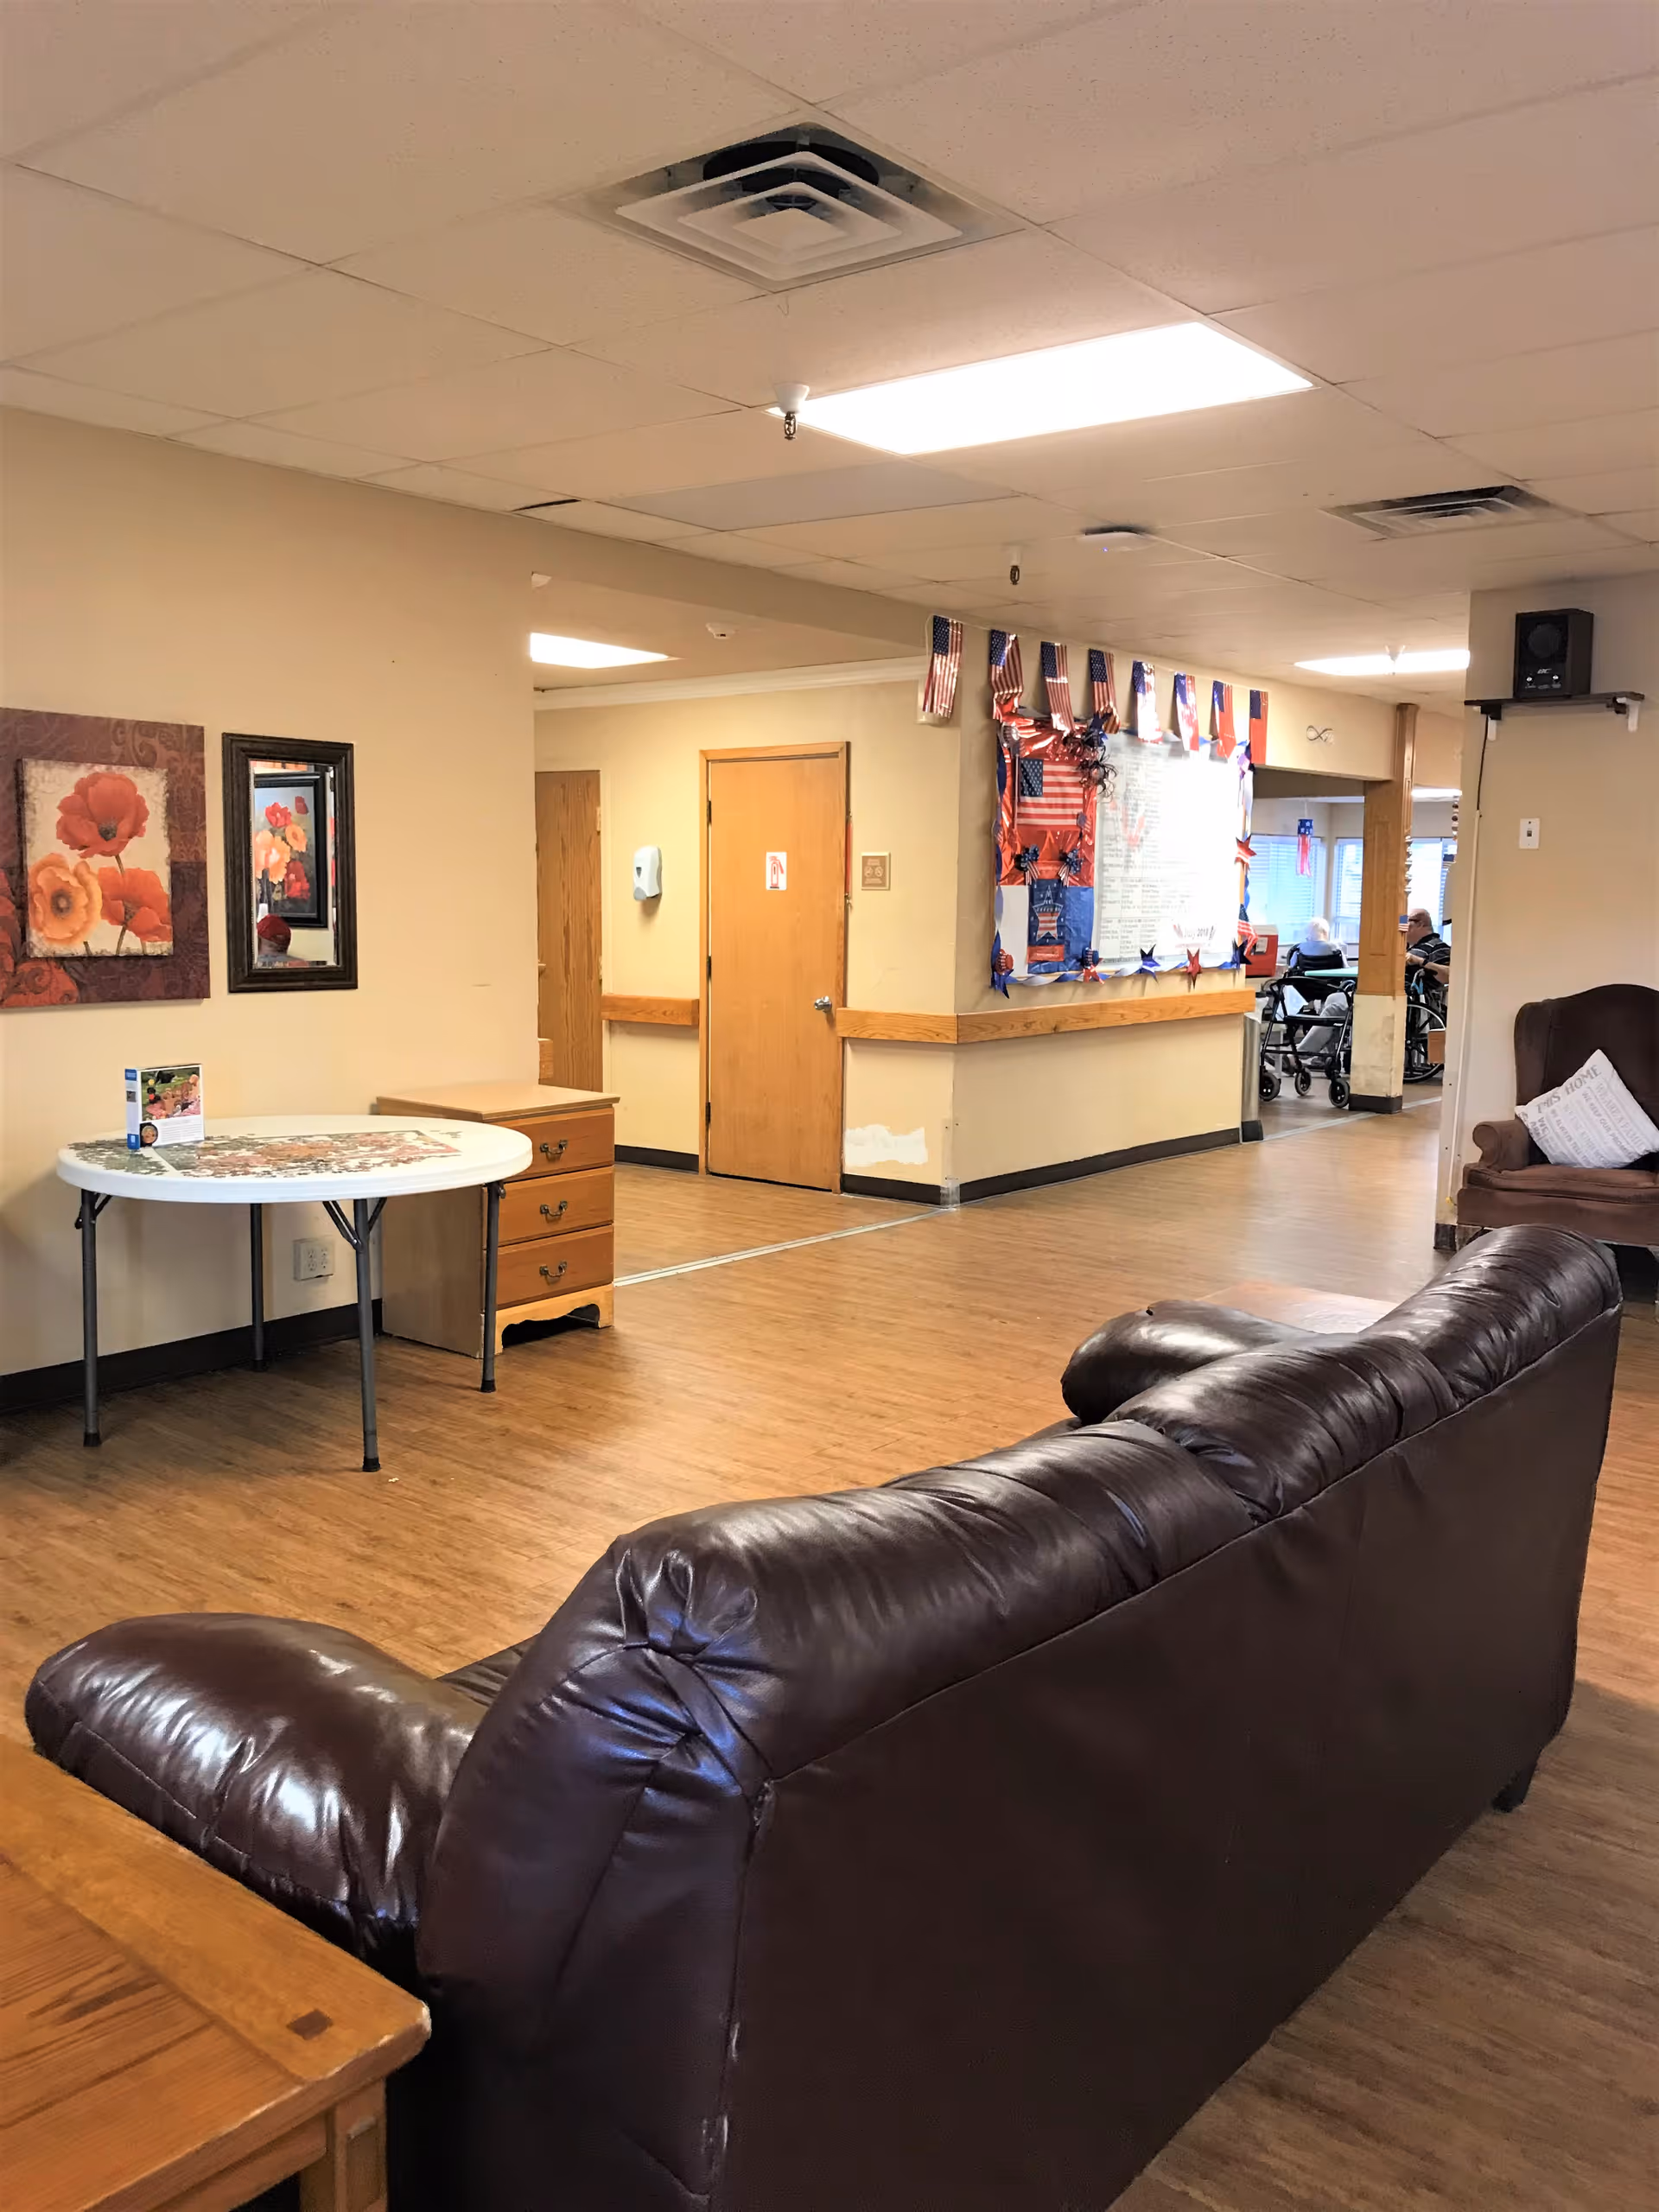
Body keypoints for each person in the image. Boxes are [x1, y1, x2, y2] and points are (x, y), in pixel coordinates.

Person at [1405, 908, 1452, 982]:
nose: (1401, 925)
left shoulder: (1438, 947)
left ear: (1420, 924)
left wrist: (1420, 961)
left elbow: (1449, 976)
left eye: (1404, 920)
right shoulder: (1404, 946)